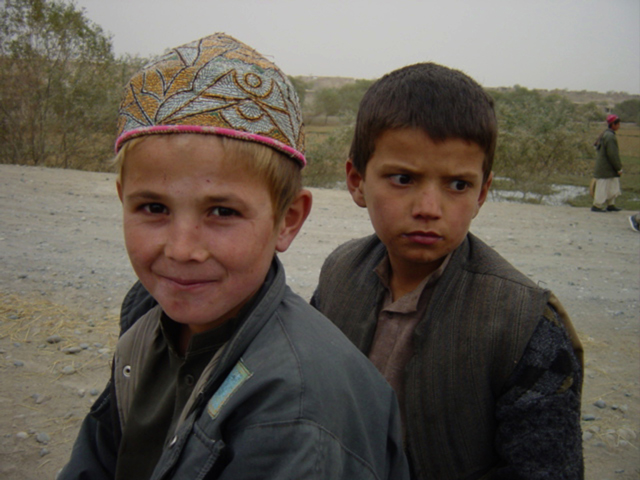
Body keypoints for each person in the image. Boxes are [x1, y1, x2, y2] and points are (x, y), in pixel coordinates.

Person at [58, 33, 409, 480]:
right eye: (153, 208)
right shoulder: (146, 326)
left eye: (222, 212)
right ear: (122, 200)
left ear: (288, 220)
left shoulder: (300, 412)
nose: (182, 249)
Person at [310, 63, 585, 479]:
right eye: (403, 178)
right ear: (356, 181)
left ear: (482, 193)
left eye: (458, 185)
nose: (428, 208)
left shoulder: (526, 324)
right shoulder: (339, 274)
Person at [592, 114, 623, 212]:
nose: (619, 126)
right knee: (603, 187)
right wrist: (618, 167)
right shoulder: (610, 137)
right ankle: (597, 206)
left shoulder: (606, 134)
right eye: (618, 124)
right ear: (613, 124)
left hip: (606, 167)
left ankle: (611, 205)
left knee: (612, 185)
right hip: (606, 167)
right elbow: (613, 154)